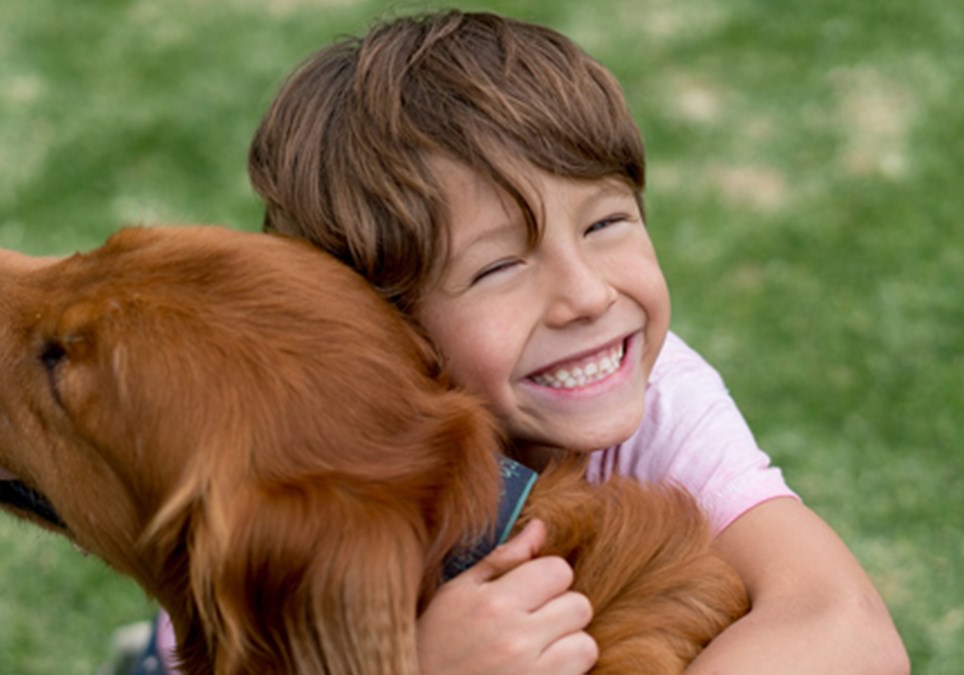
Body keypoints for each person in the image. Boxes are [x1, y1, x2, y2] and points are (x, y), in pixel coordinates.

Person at [118, 9, 908, 674]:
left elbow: (850, 628)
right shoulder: (294, 458)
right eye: (499, 266)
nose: (588, 295)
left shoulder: (664, 391)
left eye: (605, 222)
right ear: (384, 328)